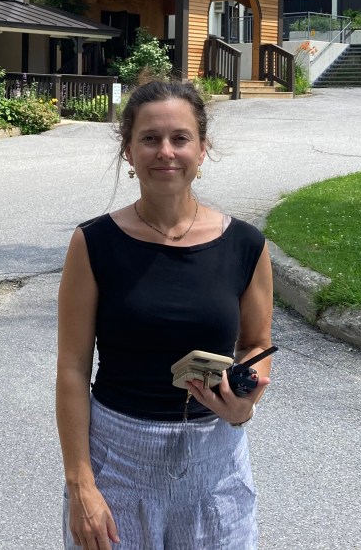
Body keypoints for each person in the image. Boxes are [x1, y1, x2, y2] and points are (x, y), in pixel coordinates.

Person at [56, 79, 274, 549]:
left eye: (180, 138)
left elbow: (257, 343)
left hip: (215, 464)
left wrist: (244, 404)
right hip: (117, 463)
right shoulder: (94, 243)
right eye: (150, 138)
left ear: (202, 149)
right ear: (129, 151)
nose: (166, 152)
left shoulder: (245, 244)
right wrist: (80, 486)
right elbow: (72, 369)